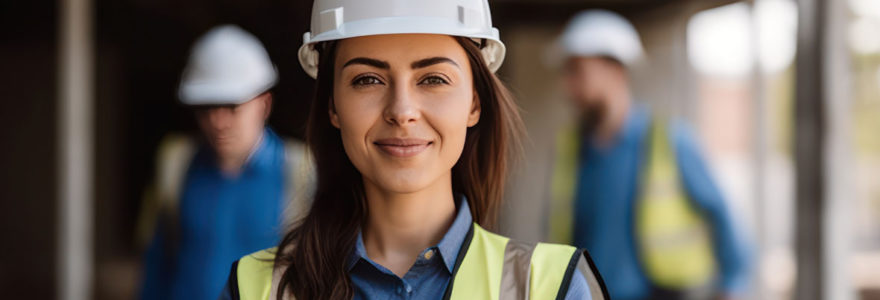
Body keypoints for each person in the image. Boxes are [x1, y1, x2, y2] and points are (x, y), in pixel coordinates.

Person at [219, 0, 609, 299]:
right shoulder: (258, 288)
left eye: (434, 79)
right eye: (368, 79)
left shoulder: (549, 287)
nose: (402, 111)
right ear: (332, 105)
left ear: (475, 102)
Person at [545, 10, 751, 300]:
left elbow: (723, 216)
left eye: (578, 72)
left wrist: (731, 285)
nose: (568, 87)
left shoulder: (671, 142)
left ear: (615, 71)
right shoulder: (573, 150)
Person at [138, 25, 311, 300]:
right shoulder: (176, 166)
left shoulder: (303, 173)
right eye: (207, 107)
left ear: (264, 104)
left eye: (232, 107)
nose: (217, 122)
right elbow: (157, 266)